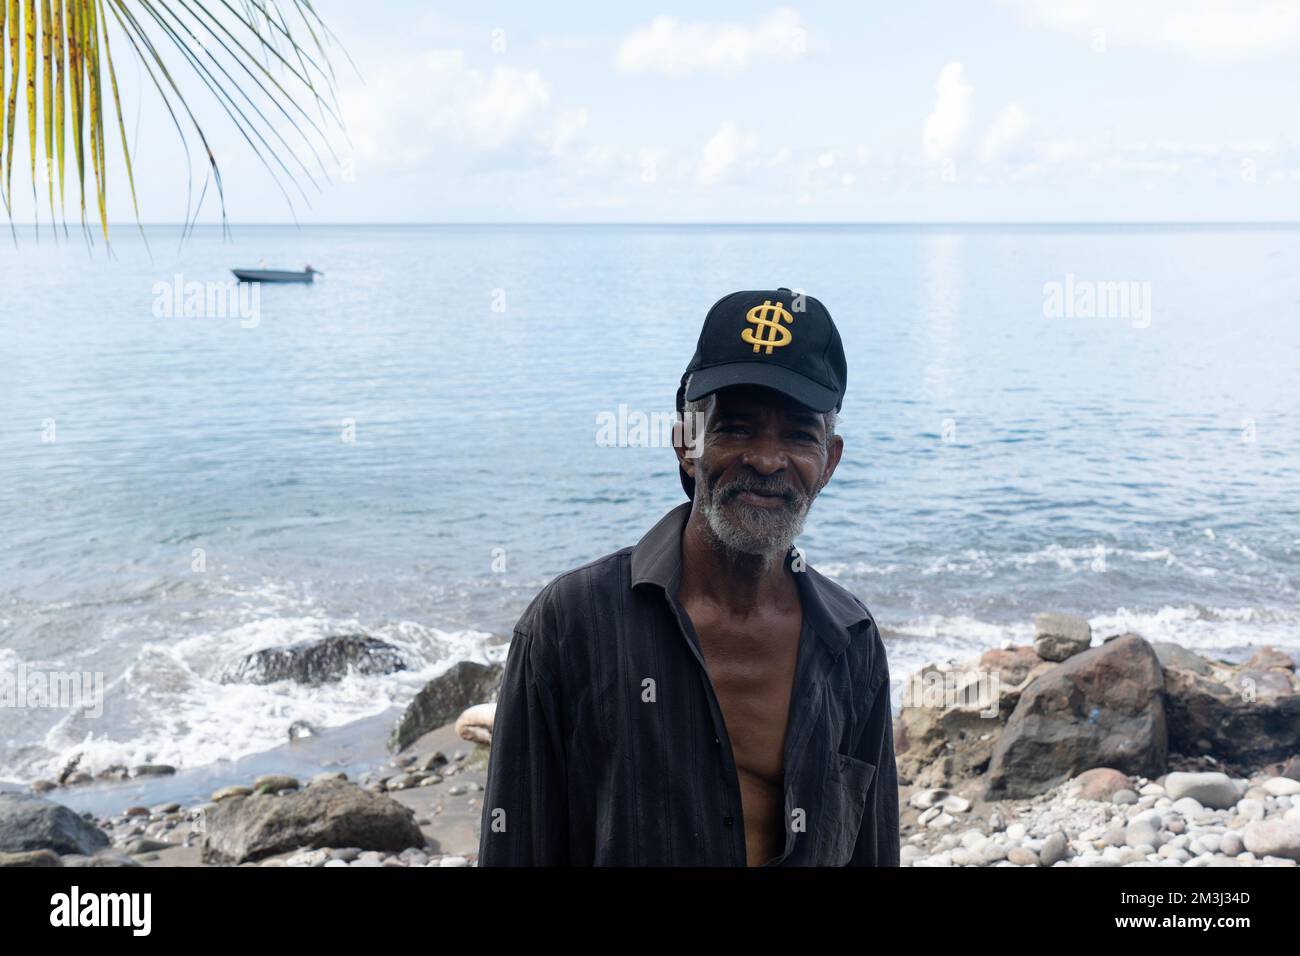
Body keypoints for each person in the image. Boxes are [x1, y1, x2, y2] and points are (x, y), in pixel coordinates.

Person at [478, 288, 899, 866]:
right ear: (685, 442)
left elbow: (872, 852)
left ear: (829, 461)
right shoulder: (569, 624)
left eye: (799, 435)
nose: (768, 460)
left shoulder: (849, 640)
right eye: (738, 428)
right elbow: (516, 849)